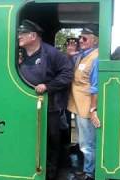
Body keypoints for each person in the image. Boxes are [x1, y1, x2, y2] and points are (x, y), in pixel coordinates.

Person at [18, 19, 73, 180]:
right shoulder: (19, 54)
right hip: (26, 106)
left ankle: (50, 174)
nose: (18, 37)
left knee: (50, 142)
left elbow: (67, 74)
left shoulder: (51, 53)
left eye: (22, 34)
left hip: (49, 107)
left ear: (33, 36)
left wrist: (48, 86)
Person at [67, 24, 101, 180]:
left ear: (95, 40)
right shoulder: (82, 55)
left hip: (86, 107)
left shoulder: (95, 58)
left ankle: (89, 173)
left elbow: (95, 87)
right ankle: (86, 168)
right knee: (82, 141)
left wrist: (93, 109)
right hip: (77, 105)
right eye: (80, 37)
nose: (81, 40)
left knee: (87, 144)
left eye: (84, 37)